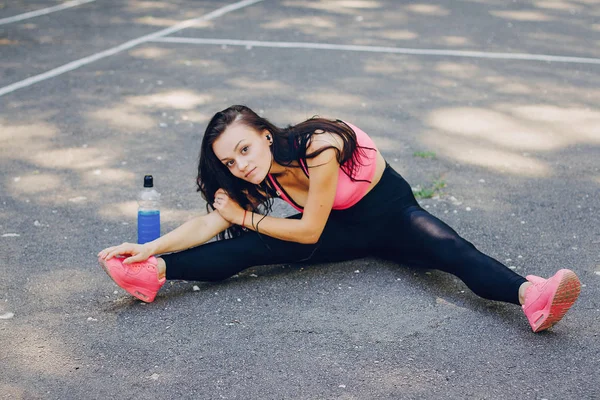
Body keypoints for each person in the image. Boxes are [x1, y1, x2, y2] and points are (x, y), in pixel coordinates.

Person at [97, 105, 581, 333]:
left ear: (266, 135)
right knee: (251, 247)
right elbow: (212, 222)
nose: (240, 165)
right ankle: (154, 278)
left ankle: (532, 295)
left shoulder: (318, 146)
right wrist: (151, 249)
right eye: (229, 161)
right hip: (341, 229)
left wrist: (244, 216)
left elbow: (306, 229)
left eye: (244, 149)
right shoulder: (260, 170)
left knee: (450, 250)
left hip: (393, 217)